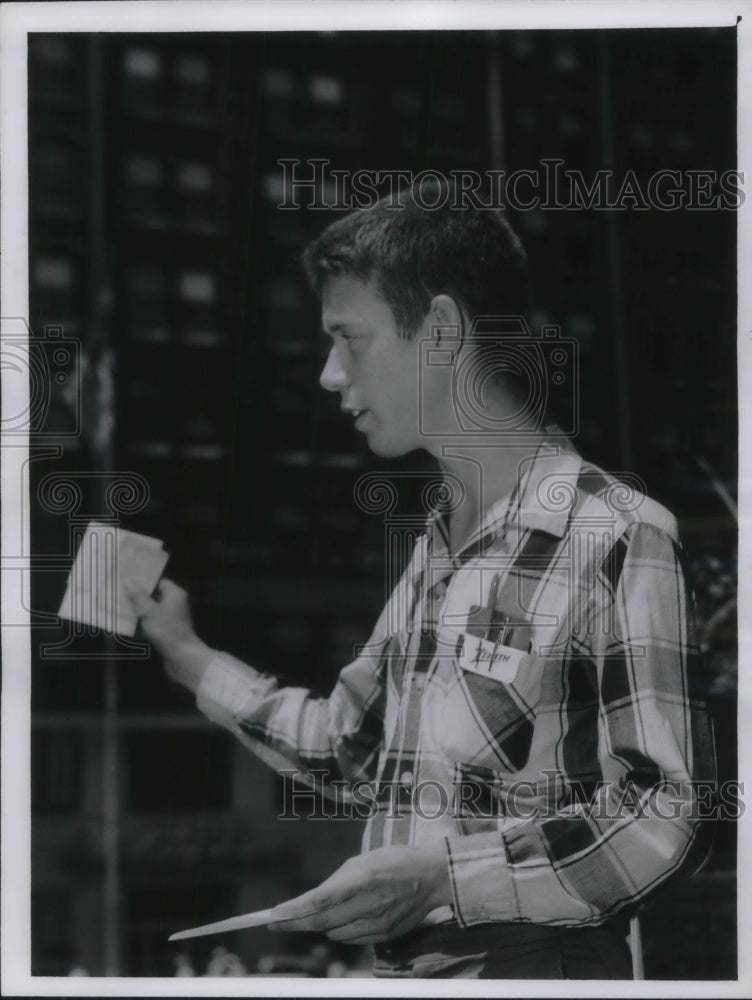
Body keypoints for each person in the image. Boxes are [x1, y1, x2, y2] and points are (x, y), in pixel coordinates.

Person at [127, 182, 715, 979]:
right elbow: (348, 749)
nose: (330, 375)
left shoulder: (615, 532)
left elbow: (667, 815)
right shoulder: (437, 547)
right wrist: (187, 653)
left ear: (440, 330)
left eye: (350, 339)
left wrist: (446, 877)